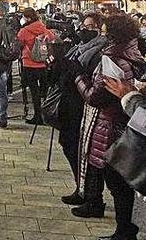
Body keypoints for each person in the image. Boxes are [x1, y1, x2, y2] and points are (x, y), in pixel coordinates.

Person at [72, 13, 144, 240]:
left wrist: (79, 79)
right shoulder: (131, 52)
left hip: (110, 123)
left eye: (103, 31)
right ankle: (125, 229)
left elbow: (96, 96)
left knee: (117, 182)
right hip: (122, 121)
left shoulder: (112, 58)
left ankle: (125, 231)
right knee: (119, 182)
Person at [52, 12, 105, 206]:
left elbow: (89, 76)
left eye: (91, 27)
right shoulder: (78, 47)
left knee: (84, 151)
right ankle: (80, 188)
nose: (85, 29)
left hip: (83, 106)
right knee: (69, 146)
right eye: (84, 25)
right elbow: (64, 73)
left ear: (100, 29)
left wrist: (76, 73)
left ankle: (91, 197)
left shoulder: (99, 51)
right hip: (69, 103)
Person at [17, 7, 55, 124]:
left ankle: (37, 116)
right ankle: (46, 114)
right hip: (43, 64)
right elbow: (52, 38)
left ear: (27, 18)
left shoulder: (24, 30)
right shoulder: (43, 28)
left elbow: (18, 43)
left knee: (34, 91)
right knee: (44, 90)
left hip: (29, 63)